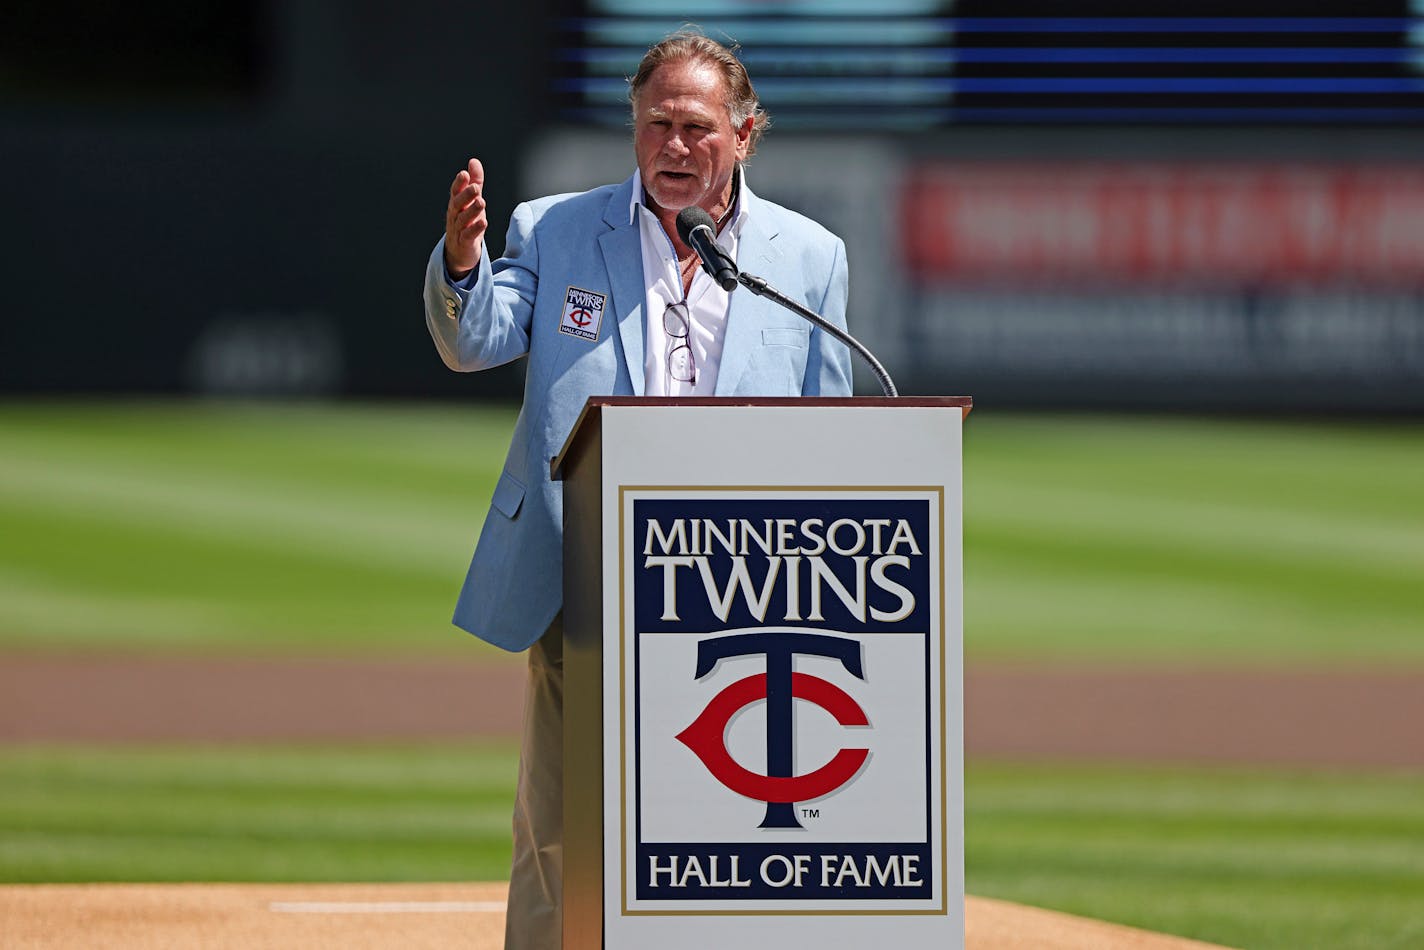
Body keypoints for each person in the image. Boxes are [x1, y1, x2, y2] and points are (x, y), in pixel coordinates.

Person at [422, 29, 852, 950]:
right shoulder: (554, 227)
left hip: (742, 579)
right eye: (656, 123)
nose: (674, 145)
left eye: (697, 126)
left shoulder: (809, 256)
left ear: (744, 134)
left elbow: (835, 429)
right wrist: (464, 263)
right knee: (560, 822)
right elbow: (474, 342)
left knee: (731, 813)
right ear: (633, 130)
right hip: (586, 558)